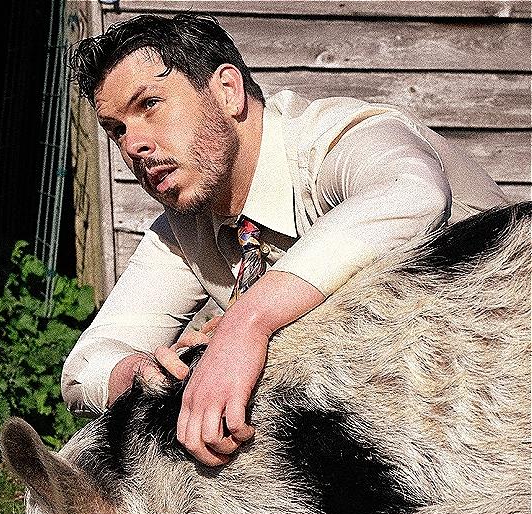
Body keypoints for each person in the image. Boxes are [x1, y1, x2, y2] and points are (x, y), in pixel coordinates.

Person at [62, 12, 507, 467]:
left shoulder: (332, 140)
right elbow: (83, 369)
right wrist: (137, 374)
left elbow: (414, 193)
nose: (132, 144)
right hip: (417, 438)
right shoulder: (185, 225)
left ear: (228, 92)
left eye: (150, 104)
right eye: (116, 130)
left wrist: (248, 321)